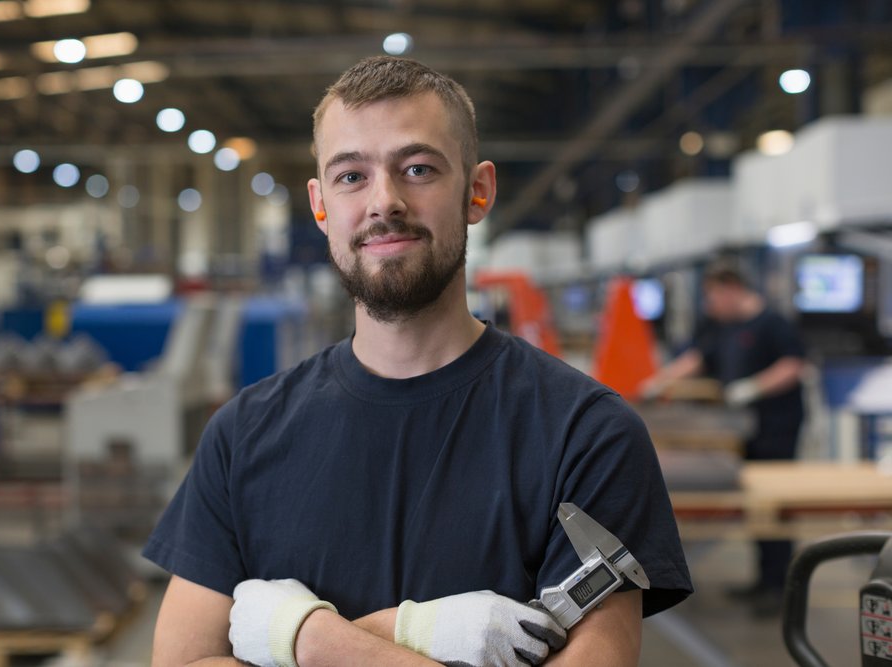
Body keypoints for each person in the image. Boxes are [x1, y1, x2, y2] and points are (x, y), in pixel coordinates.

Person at [144, 56, 692, 667]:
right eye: (351, 176)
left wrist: (300, 637)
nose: (385, 201)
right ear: (320, 204)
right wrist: (408, 639)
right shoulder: (242, 435)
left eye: (418, 169)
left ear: (478, 191)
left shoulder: (587, 435)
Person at [641, 262, 805, 614]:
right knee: (754, 503)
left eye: (713, 296)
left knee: (773, 503)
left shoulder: (773, 323)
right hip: (743, 427)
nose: (710, 305)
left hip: (776, 426)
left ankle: (781, 587)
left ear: (732, 289)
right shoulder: (724, 327)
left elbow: (792, 366)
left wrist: (754, 387)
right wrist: (660, 381)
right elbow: (698, 359)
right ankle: (764, 580)